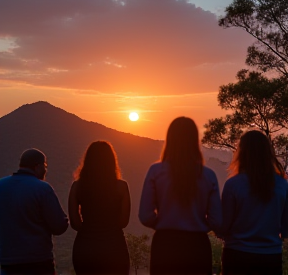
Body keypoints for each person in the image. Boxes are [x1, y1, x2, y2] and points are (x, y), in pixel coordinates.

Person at [139, 116, 222, 275]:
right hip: (197, 248)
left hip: (165, 246)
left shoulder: (156, 172)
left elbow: (145, 216)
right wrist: (199, 224)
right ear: (195, 141)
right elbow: (217, 221)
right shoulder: (208, 176)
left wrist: (163, 223)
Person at [221, 130, 288, 275]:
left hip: (237, 256)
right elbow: (286, 227)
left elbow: (224, 226)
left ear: (242, 153)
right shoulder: (283, 185)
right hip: (270, 258)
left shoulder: (233, 185)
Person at [0, 148, 69, 275]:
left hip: (7, 263)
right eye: (45, 166)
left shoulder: (1, 186)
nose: (46, 170)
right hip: (38, 262)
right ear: (38, 166)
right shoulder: (42, 189)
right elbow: (59, 227)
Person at [69, 141, 131, 275]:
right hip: (114, 248)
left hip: (85, 249)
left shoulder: (77, 187)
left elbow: (74, 223)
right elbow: (123, 222)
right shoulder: (121, 187)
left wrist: (89, 230)